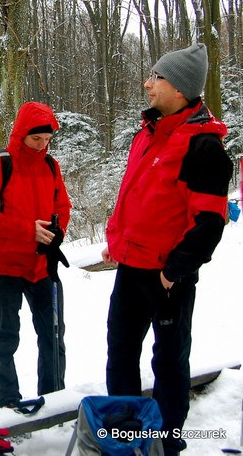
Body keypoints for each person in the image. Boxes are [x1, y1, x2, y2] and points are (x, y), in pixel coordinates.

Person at [102, 43, 233, 456]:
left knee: (170, 362)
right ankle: (124, 437)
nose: (148, 83)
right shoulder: (148, 133)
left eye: (156, 77)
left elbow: (209, 222)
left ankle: (166, 444)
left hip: (167, 276)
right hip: (130, 266)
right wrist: (114, 239)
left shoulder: (204, 146)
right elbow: (133, 196)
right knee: (120, 353)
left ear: (180, 88)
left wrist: (175, 270)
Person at [0, 101, 72, 408]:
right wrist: (27, 230)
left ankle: (53, 399)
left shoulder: (51, 166)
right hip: (5, 266)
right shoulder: (0, 164)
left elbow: (62, 207)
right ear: (22, 134)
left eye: (48, 140)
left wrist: (58, 232)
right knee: (5, 337)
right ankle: (8, 402)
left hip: (43, 265)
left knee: (52, 335)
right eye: (36, 139)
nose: (42, 145)